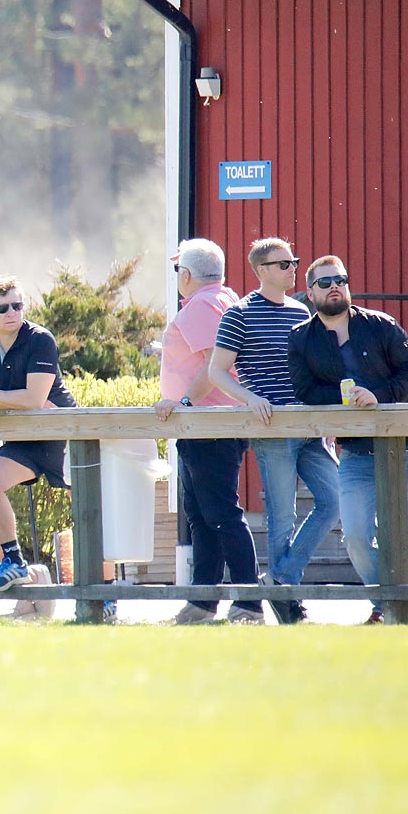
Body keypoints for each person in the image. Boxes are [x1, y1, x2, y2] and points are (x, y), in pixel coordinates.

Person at [288, 255, 408, 625]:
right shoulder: (301, 339)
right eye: (325, 283)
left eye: (340, 279)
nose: (335, 287)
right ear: (310, 292)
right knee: (355, 533)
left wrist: (377, 395)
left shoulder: (380, 325)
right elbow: (304, 390)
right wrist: (346, 401)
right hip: (355, 451)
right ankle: (382, 603)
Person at [207, 237, 335, 624]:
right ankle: (287, 598)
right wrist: (249, 399)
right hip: (273, 427)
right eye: (284, 264)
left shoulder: (301, 311)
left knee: (335, 501)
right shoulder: (239, 313)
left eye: (294, 261)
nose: (293, 268)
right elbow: (216, 371)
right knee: (283, 517)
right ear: (261, 271)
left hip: (310, 426)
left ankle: (280, 579)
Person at [153, 241, 258, 624]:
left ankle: (248, 601)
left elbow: (214, 362)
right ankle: (203, 601)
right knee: (202, 515)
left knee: (219, 514)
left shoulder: (199, 306)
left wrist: (183, 404)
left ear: (186, 275)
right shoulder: (225, 298)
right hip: (211, 424)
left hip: (206, 424)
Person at [0, 277, 76, 596]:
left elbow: (34, 399)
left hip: (62, 431)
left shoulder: (40, 338)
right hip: (21, 436)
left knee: (85, 510)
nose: (12, 312)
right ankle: (13, 560)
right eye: (2, 308)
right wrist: (2, 398)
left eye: (17, 305)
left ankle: (105, 590)